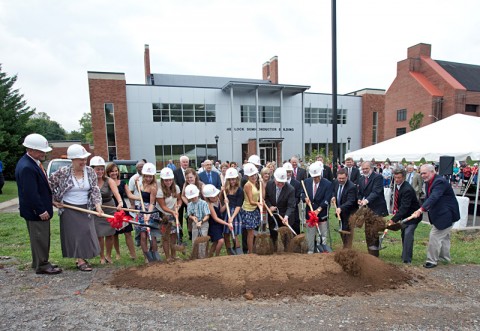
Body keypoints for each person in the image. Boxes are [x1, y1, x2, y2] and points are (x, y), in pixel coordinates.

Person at [49, 144, 102, 272]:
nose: (83, 162)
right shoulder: (63, 172)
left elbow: (95, 190)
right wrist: (53, 201)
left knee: (86, 232)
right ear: (72, 160)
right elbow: (48, 186)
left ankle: (83, 257)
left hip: (86, 207)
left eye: (85, 159)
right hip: (69, 208)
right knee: (76, 235)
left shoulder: (90, 172)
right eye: (80, 160)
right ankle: (80, 260)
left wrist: (98, 207)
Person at [15, 133, 61, 275]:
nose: (43, 154)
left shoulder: (30, 162)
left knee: (38, 237)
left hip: (36, 208)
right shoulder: (27, 167)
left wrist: (50, 200)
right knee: (40, 237)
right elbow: (30, 192)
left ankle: (38, 261)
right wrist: (40, 210)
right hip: (36, 211)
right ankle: (42, 265)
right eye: (41, 151)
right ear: (30, 150)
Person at [412, 164, 460, 268]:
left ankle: (431, 261)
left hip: (447, 215)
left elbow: (434, 197)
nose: (423, 175)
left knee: (434, 236)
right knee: (444, 237)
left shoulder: (439, 182)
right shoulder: (429, 181)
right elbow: (430, 197)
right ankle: (445, 258)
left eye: (425, 173)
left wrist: (421, 210)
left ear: (433, 171)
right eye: (421, 173)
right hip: (441, 214)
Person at [90, 156, 123, 264]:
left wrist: (120, 202)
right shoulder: (90, 181)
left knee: (109, 234)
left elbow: (116, 193)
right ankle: (102, 257)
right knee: (100, 235)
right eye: (97, 169)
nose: (100, 171)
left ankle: (108, 255)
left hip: (109, 208)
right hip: (96, 210)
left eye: (101, 169)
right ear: (92, 169)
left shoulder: (108, 180)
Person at [386, 169, 422, 264]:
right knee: (403, 234)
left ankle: (407, 259)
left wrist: (393, 220)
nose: (397, 179)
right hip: (405, 216)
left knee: (408, 234)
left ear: (404, 177)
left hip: (413, 216)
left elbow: (404, 207)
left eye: (399, 178)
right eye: (395, 177)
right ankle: (404, 254)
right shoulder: (398, 186)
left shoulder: (407, 189)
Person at [128, 163, 161, 262]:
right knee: (142, 235)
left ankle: (155, 255)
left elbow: (152, 203)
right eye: (146, 176)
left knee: (152, 235)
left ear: (153, 176)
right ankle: (147, 257)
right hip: (141, 211)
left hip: (150, 212)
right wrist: (136, 184)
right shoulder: (141, 184)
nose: (148, 178)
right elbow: (141, 196)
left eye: (150, 176)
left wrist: (148, 215)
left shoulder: (153, 187)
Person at [357, 161, 389, 257]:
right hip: (368, 209)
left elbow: (376, 191)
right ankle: (370, 252)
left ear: (371, 168)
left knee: (374, 231)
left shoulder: (377, 177)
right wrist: (359, 199)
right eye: (363, 169)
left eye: (366, 168)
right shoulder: (362, 179)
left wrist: (366, 200)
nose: (364, 170)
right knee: (368, 231)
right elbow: (361, 192)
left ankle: (375, 254)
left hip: (377, 208)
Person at [106, 163, 136, 260]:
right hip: (112, 210)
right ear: (108, 173)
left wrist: (141, 198)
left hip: (123, 210)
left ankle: (133, 254)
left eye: (116, 171)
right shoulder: (107, 183)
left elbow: (130, 195)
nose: (114, 173)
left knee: (128, 233)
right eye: (112, 171)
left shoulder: (122, 183)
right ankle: (118, 254)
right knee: (115, 234)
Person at [302, 162, 332, 253]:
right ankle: (310, 250)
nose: (316, 179)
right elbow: (302, 193)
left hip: (321, 214)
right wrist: (304, 198)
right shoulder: (306, 182)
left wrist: (318, 210)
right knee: (310, 234)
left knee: (322, 235)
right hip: (310, 213)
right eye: (314, 177)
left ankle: (321, 251)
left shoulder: (327, 184)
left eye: (317, 176)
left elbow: (327, 198)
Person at [264, 167, 296, 251]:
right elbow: (266, 198)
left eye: (283, 183)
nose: (281, 184)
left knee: (285, 238)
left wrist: (286, 216)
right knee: (273, 236)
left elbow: (291, 206)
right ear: (274, 179)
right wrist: (270, 206)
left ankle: (286, 253)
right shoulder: (269, 185)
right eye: (279, 182)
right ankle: (274, 252)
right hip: (273, 216)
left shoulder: (290, 189)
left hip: (285, 217)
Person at [156, 167, 181, 261]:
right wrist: (172, 212)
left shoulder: (176, 188)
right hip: (164, 216)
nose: (168, 182)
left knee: (174, 235)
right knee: (166, 236)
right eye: (166, 180)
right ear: (162, 180)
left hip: (174, 214)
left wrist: (178, 206)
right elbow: (163, 206)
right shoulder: (160, 191)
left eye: (170, 179)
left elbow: (179, 199)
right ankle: (168, 257)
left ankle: (174, 255)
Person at [203, 184, 232, 256]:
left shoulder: (218, 200)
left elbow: (221, 210)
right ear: (208, 198)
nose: (215, 197)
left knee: (216, 242)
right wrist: (227, 224)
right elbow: (215, 218)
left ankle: (210, 255)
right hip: (213, 226)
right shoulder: (209, 205)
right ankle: (217, 255)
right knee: (221, 241)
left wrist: (226, 204)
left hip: (219, 224)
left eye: (216, 195)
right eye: (213, 197)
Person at [331, 168, 357, 248]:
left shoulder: (351, 187)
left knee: (347, 231)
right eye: (339, 178)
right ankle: (345, 246)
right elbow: (333, 191)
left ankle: (347, 248)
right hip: (340, 213)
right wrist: (333, 197)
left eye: (343, 178)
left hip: (349, 213)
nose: (341, 180)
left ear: (347, 177)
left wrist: (341, 208)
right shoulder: (336, 182)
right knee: (342, 229)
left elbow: (351, 201)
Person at [240, 163, 263, 253]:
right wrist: (258, 203)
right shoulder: (248, 185)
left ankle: (253, 249)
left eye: (255, 174)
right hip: (248, 210)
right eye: (251, 175)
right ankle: (250, 252)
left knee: (254, 232)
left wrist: (261, 201)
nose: (254, 177)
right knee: (250, 233)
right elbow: (250, 201)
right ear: (247, 176)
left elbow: (260, 195)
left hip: (254, 210)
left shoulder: (256, 183)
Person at [222, 167, 244, 255]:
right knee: (226, 233)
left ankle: (238, 249)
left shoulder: (239, 190)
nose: (232, 181)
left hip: (235, 213)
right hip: (226, 212)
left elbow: (239, 205)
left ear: (237, 179)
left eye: (234, 179)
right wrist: (222, 192)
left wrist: (232, 217)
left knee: (234, 233)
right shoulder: (226, 189)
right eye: (230, 180)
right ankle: (229, 251)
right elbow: (221, 201)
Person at [186, 184, 210, 258]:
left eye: (194, 197)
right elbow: (189, 214)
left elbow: (207, 215)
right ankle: (195, 257)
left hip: (204, 224)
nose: (193, 198)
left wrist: (201, 221)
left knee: (202, 242)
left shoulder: (203, 203)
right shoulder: (189, 205)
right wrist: (193, 218)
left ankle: (202, 257)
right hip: (195, 224)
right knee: (195, 241)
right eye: (191, 197)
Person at [181, 167, 204, 241]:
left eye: (191, 177)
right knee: (192, 224)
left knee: (200, 224)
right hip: (192, 208)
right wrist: (189, 204)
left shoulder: (200, 184)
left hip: (200, 208)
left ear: (195, 176)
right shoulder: (186, 184)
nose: (189, 179)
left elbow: (205, 198)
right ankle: (193, 236)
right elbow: (183, 196)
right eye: (187, 178)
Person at [283, 162, 302, 235]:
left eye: (289, 172)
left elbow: (297, 197)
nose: (288, 174)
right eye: (286, 172)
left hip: (294, 211)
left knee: (295, 230)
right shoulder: (280, 182)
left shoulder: (296, 183)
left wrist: (291, 204)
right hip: (283, 211)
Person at [173, 155, 189, 242]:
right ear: (180, 163)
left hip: (189, 198)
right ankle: (180, 234)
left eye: (186, 162)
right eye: (184, 162)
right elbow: (174, 184)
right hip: (179, 198)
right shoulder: (175, 172)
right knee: (179, 217)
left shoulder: (191, 171)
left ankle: (191, 234)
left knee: (189, 216)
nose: (185, 163)